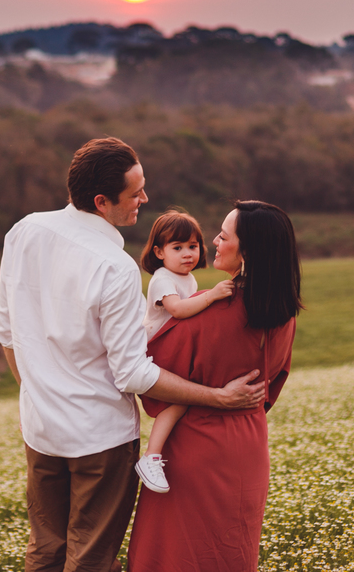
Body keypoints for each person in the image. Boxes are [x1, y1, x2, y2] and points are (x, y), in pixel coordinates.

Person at [0, 138, 267, 572]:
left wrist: (37, 397)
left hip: (40, 430)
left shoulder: (24, 230)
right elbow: (133, 374)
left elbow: (6, 334)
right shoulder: (113, 265)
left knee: (45, 552)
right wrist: (218, 397)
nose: (145, 198)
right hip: (99, 441)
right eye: (135, 192)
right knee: (91, 561)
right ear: (102, 201)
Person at [126, 200, 302, 572]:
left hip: (195, 449)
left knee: (177, 556)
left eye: (223, 236)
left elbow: (152, 381)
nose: (215, 243)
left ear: (247, 251)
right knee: (231, 552)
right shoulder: (285, 312)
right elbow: (273, 382)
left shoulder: (207, 316)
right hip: (250, 444)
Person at [134, 209, 235, 494]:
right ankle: (151, 456)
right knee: (177, 402)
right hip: (157, 348)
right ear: (159, 252)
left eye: (193, 246)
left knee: (186, 399)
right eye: (177, 248)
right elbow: (177, 310)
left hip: (175, 346)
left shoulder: (187, 279)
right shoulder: (163, 279)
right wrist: (211, 295)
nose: (187, 254)